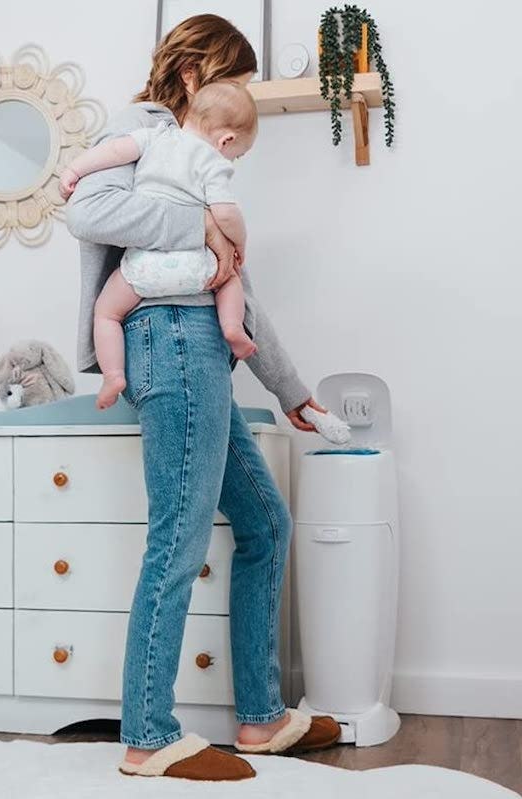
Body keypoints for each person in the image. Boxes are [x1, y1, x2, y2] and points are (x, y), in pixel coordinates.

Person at [66, 14, 339, 781]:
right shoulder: (143, 127)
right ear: (192, 77)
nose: (235, 106)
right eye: (228, 84)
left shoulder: (205, 163)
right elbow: (87, 209)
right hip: (171, 340)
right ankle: (148, 734)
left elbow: (236, 282)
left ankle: (260, 717)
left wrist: (288, 388)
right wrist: (201, 223)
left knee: (264, 521)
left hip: (203, 345)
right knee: (178, 540)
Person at [60, 81, 259, 409]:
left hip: (143, 267)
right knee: (230, 278)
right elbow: (225, 213)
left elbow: (112, 152)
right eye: (237, 154)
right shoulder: (212, 161)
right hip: (196, 267)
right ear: (226, 140)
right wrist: (238, 241)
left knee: (106, 313)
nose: (232, 160)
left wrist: (73, 169)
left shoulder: (154, 137)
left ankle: (113, 375)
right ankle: (233, 328)